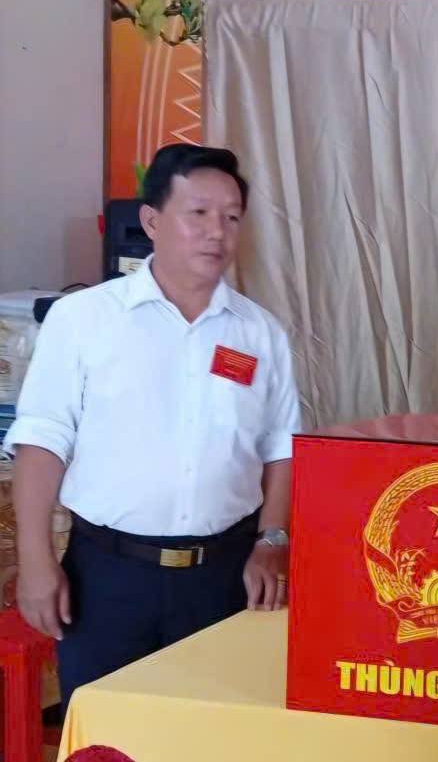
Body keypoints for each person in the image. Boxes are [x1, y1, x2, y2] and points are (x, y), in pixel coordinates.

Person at [4, 143, 301, 710]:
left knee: (214, 734)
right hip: (109, 577)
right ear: (151, 221)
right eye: (198, 213)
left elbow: (279, 446)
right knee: (110, 732)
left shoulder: (259, 333)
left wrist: (272, 539)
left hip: (224, 577)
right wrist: (36, 559)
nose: (216, 232)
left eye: (231, 217)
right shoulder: (84, 319)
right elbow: (42, 440)